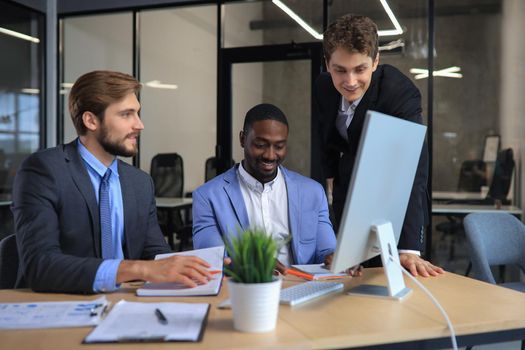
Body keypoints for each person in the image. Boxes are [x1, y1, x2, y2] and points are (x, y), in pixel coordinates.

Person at [12, 70, 213, 293]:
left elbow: (156, 255)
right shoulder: (44, 171)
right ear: (91, 120)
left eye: (137, 113)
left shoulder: (140, 183)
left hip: (126, 304)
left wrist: (201, 266)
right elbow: (41, 266)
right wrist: (139, 269)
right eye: (126, 114)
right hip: (60, 305)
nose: (139, 125)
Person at [314, 14, 443, 277]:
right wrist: (328, 177)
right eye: (340, 70)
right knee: (352, 284)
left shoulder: (399, 94)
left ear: (375, 62)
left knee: (395, 285)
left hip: (393, 201)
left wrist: (409, 248)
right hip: (349, 193)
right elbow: (325, 134)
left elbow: (413, 170)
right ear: (327, 64)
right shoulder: (323, 87)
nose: (350, 81)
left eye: (359, 69)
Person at [192, 103, 339, 273]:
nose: (270, 155)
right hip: (245, 293)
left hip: (303, 289)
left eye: (279, 146)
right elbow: (211, 259)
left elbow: (326, 250)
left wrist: (334, 258)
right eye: (260, 145)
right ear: (242, 139)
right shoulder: (207, 196)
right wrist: (247, 264)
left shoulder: (312, 192)